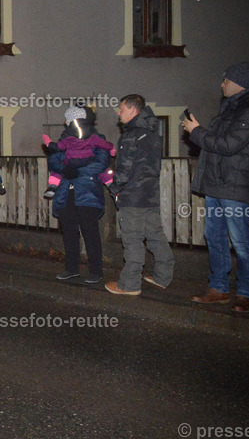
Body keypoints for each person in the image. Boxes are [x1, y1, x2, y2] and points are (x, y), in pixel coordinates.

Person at [183, 61, 249, 313]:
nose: (222, 84)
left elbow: (229, 145)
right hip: (218, 184)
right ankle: (218, 289)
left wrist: (197, 131)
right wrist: (199, 131)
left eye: (226, 80)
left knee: (241, 242)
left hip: (236, 186)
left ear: (238, 83)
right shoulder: (230, 108)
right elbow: (219, 145)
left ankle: (246, 293)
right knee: (216, 237)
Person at [105, 95, 175, 295]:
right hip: (150, 194)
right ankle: (163, 276)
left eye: (121, 109)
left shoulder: (131, 135)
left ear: (132, 110)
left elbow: (125, 169)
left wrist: (114, 187)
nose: (119, 113)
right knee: (155, 235)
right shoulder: (153, 133)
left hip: (133, 196)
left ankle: (129, 284)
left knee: (132, 239)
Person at [49, 129, 111, 284]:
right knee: (69, 233)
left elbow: (101, 163)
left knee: (90, 233)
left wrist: (76, 170)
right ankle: (71, 269)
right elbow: (54, 160)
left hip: (87, 192)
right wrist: (64, 169)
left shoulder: (96, 139)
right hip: (66, 193)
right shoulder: (65, 139)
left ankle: (96, 271)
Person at [43, 107, 115, 199]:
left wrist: (49, 143)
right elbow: (53, 161)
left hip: (84, 187)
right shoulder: (95, 138)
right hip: (79, 185)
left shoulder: (67, 138)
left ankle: (53, 185)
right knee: (105, 172)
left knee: (55, 173)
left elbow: (101, 163)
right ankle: (111, 184)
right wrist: (112, 148)